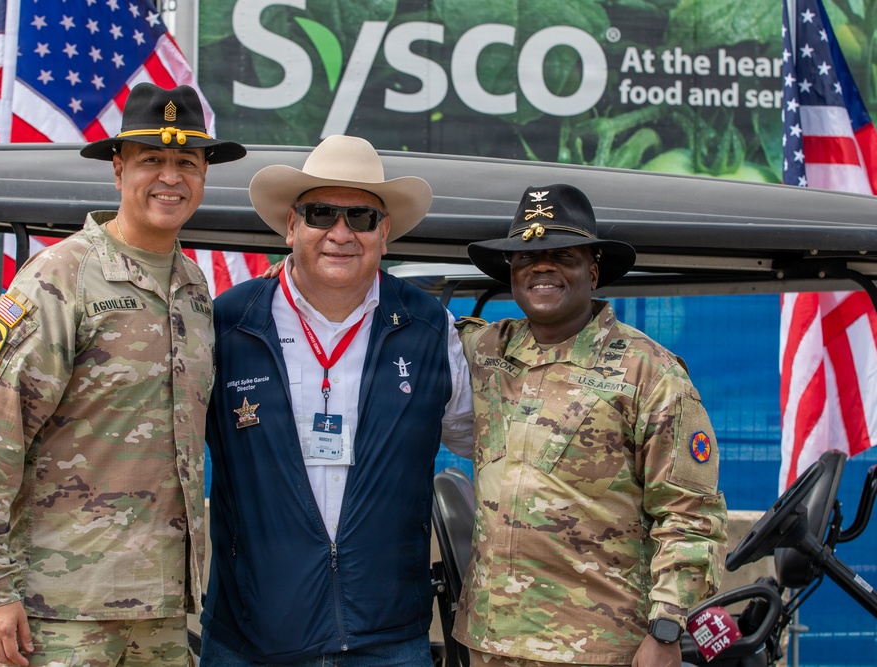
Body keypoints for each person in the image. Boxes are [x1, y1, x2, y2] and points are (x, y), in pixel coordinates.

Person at [0, 83, 245, 667]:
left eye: (187, 162)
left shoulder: (193, 288)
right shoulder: (61, 277)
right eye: (151, 160)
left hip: (158, 608)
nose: (170, 178)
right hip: (58, 610)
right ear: (117, 169)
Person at [200, 135, 474, 665]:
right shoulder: (228, 323)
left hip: (389, 638)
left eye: (362, 218)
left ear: (385, 232)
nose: (341, 233)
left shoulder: (429, 328)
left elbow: (484, 443)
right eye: (321, 213)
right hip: (254, 638)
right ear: (291, 225)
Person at [453, 184, 728, 667]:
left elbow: (691, 515)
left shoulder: (649, 373)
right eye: (525, 257)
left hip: (598, 647)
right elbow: (395, 328)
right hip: (489, 639)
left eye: (561, 255)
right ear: (512, 274)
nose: (541, 267)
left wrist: (666, 629)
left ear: (593, 271)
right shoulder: (481, 352)